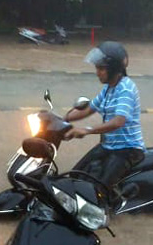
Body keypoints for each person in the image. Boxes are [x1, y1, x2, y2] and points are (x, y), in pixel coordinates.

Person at [62, 41, 145, 191]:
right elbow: (89, 109)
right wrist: (62, 119)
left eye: (101, 69)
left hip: (127, 150)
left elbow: (118, 121)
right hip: (108, 146)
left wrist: (86, 130)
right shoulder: (108, 88)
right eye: (97, 68)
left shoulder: (126, 89)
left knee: (99, 190)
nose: (97, 72)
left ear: (113, 69)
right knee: (76, 175)